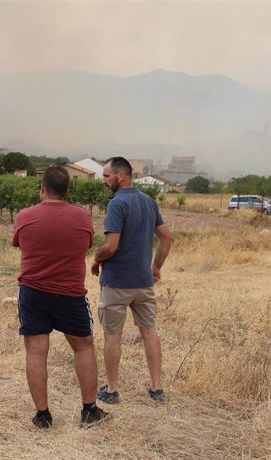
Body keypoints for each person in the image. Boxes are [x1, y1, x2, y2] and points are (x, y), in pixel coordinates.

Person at [12, 166, 110, 430]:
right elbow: (87, 245)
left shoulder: (24, 216)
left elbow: (19, 243)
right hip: (70, 294)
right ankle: (89, 410)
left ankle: (42, 415)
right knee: (84, 347)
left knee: (35, 351)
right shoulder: (82, 217)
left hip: (32, 293)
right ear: (67, 191)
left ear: (42, 188)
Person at [91, 157, 173, 404]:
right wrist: (155, 267)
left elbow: (111, 246)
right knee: (149, 331)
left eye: (106, 176)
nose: (104, 181)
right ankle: (157, 388)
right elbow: (167, 238)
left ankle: (112, 390)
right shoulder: (148, 201)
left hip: (117, 282)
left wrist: (96, 258)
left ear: (121, 176)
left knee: (112, 334)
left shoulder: (116, 204)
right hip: (143, 283)